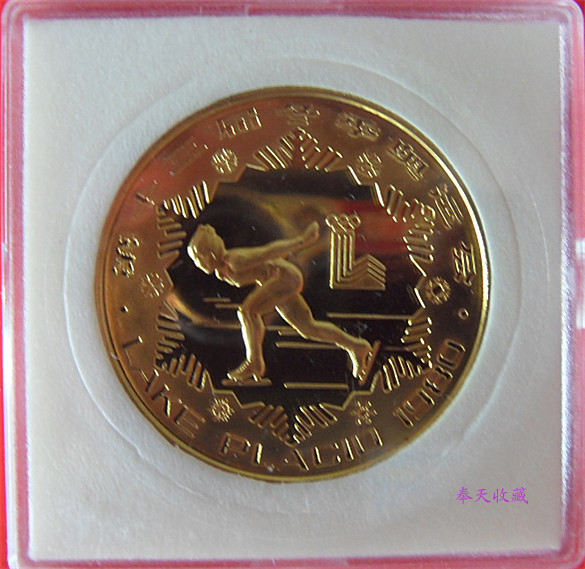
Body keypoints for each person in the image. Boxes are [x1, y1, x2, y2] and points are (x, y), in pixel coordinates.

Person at [187, 221, 375, 384]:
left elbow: (268, 252)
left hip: (284, 277)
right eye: (196, 260)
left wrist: (302, 241)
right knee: (308, 328)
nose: (198, 264)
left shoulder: (235, 261)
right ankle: (357, 346)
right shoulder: (224, 270)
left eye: (199, 258)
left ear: (210, 254)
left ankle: (254, 362)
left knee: (247, 312)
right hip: (279, 280)